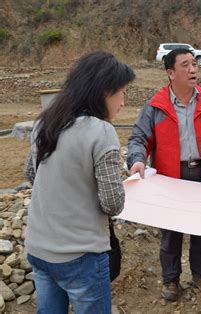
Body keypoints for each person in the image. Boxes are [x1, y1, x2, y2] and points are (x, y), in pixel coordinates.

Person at [127, 48, 201, 301]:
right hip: (170, 179)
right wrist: (137, 160)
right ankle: (170, 280)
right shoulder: (156, 106)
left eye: (195, 64)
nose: (193, 69)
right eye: (186, 65)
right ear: (170, 73)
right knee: (171, 234)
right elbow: (139, 138)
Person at [24, 51, 135, 313]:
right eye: (122, 92)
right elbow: (113, 203)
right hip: (80, 255)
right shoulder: (102, 131)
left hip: (39, 248)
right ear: (104, 92)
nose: (123, 101)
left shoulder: (47, 122)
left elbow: (31, 173)